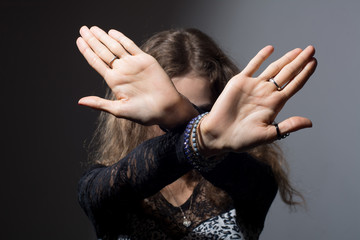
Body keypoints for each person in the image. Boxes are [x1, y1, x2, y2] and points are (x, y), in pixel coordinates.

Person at [76, 25, 317, 240]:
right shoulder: (105, 186)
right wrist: (198, 130)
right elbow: (110, 189)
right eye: (162, 116)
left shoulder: (250, 179)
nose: (172, 127)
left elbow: (254, 182)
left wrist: (187, 121)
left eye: (200, 111)